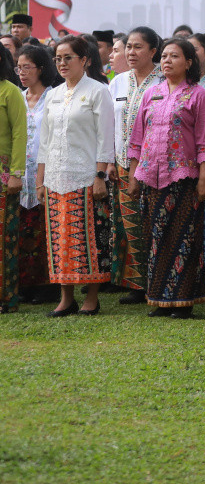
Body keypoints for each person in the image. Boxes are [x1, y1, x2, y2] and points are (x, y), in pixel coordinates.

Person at [127, 38, 205, 318]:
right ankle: (159, 298)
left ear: (188, 63)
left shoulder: (198, 95)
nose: (167, 61)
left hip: (184, 179)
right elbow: (137, 139)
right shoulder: (151, 93)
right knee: (156, 238)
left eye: (174, 56)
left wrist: (204, 180)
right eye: (164, 56)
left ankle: (183, 300)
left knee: (183, 239)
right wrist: (132, 177)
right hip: (151, 178)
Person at [37, 36, 114, 316]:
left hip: (85, 176)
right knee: (60, 238)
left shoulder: (97, 91)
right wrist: (40, 180)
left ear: (85, 60)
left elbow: (106, 138)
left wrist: (100, 175)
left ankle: (91, 298)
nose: (62, 63)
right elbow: (45, 141)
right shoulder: (54, 93)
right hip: (56, 176)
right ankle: (65, 298)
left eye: (68, 57)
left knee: (88, 237)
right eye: (58, 58)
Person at [108, 26, 163, 302]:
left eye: (138, 47)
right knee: (130, 226)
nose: (131, 52)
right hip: (121, 164)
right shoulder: (117, 81)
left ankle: (158, 282)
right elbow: (108, 124)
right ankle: (139, 284)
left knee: (153, 223)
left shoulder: (164, 82)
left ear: (153, 51)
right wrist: (108, 160)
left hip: (155, 167)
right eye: (128, 46)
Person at [17, 45, 55, 303]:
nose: (21, 72)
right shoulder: (17, 97)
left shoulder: (54, 98)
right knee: (22, 229)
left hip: (47, 172)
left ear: (41, 68)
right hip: (20, 176)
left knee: (44, 230)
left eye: (27, 67)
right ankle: (24, 284)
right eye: (18, 67)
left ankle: (47, 285)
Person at [0, 46, 25, 312]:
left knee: (3, 238)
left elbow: (20, 134)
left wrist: (16, 174)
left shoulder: (10, 91)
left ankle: (7, 298)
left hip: (4, 174)